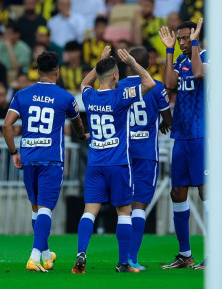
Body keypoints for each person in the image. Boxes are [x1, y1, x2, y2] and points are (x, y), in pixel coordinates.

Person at [72, 46, 155, 274]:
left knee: (89, 211)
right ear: (116, 76)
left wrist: (99, 63)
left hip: (95, 163)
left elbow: (84, 84)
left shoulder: (89, 97)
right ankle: (123, 263)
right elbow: (150, 84)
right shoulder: (120, 96)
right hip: (118, 164)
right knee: (123, 212)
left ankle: (81, 253)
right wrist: (133, 63)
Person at [3, 51, 87, 272]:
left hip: (29, 158)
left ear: (38, 71)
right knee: (46, 209)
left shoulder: (22, 94)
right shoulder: (66, 97)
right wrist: (81, 136)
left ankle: (47, 255)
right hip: (51, 160)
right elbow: (77, 123)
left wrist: (14, 152)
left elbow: (6, 126)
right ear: (57, 72)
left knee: (36, 209)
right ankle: (34, 257)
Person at [116, 47, 172, 270]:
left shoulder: (118, 87)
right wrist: (164, 123)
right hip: (147, 154)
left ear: (129, 64)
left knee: (124, 208)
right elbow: (168, 117)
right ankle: (132, 258)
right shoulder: (156, 87)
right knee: (139, 207)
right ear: (146, 64)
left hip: (122, 154)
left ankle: (122, 259)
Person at [158, 19, 206, 270]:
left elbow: (199, 74)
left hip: (202, 135)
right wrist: (169, 50)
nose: (182, 42)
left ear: (197, 37)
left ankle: (214, 254)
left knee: (205, 192)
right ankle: (185, 255)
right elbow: (168, 83)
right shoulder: (180, 59)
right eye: (180, 39)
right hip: (182, 135)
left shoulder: (209, 57)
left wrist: (195, 44)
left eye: (186, 38)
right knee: (177, 192)